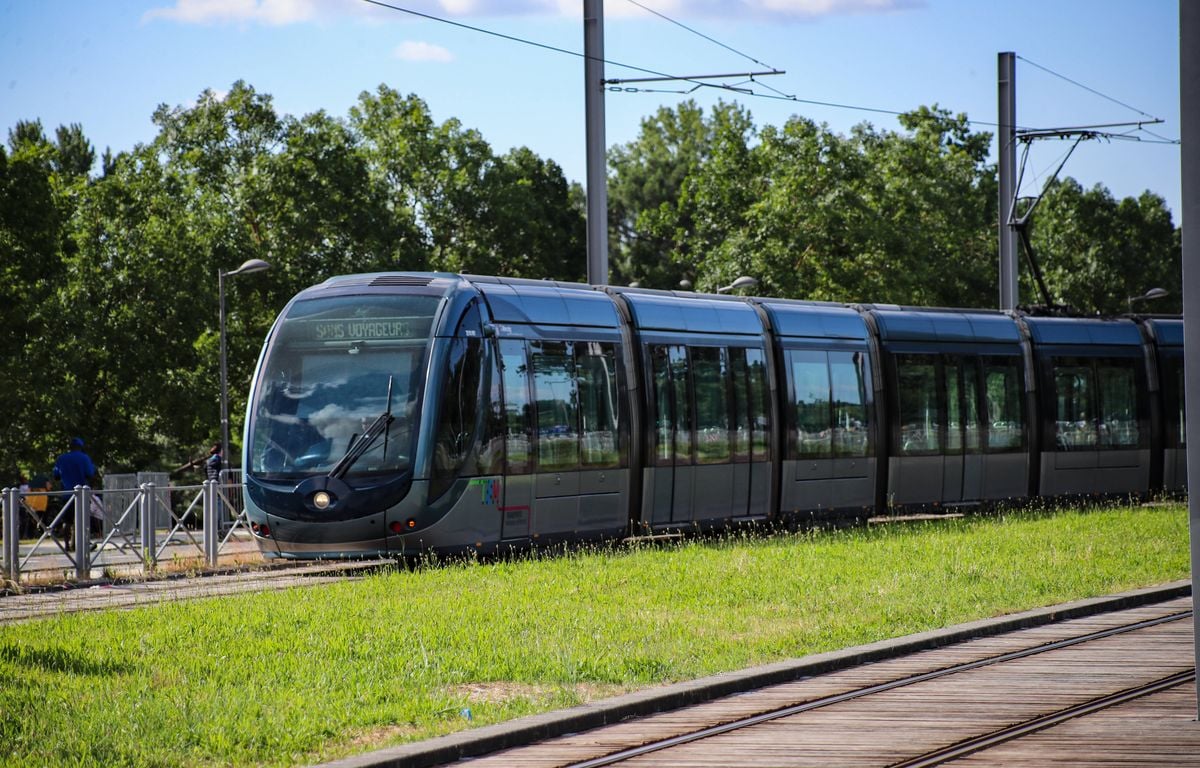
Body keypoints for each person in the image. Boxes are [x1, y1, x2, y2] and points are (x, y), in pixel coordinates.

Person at [53, 437, 98, 549]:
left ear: (70, 447)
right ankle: (82, 544)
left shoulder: (61, 458)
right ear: (81, 447)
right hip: (81, 494)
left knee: (67, 521)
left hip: (67, 494)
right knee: (82, 520)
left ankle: (67, 545)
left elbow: (56, 476)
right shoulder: (84, 458)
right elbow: (90, 474)